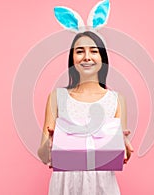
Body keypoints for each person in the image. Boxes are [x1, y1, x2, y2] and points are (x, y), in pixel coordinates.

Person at [38, 31, 134, 195]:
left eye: (94, 51)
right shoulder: (57, 97)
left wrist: (123, 146)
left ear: (102, 58)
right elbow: (43, 156)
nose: (87, 57)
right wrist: (51, 144)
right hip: (65, 186)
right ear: (72, 58)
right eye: (80, 51)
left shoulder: (117, 99)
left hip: (102, 185)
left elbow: (119, 155)